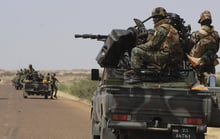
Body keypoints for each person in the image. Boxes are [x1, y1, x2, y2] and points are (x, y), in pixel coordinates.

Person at [126, 7, 183, 82]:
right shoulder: (171, 28)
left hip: (163, 57)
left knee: (135, 51)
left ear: (158, 18)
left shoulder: (162, 29)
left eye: (154, 18)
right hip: (171, 58)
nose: (153, 20)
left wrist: (139, 46)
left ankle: (136, 75)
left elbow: (153, 45)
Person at [187, 10, 220, 86]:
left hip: (198, 65)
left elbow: (188, 47)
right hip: (211, 65)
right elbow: (217, 48)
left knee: (199, 88)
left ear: (201, 22)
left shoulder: (197, 34)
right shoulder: (216, 35)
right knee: (212, 87)